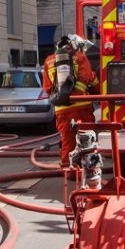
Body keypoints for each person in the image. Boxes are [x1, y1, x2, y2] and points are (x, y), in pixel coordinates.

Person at [42, 34, 99, 167]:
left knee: (67, 141)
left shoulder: (49, 61)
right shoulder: (80, 57)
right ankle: (89, 169)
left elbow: (48, 88)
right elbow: (86, 78)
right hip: (82, 107)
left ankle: (70, 170)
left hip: (62, 108)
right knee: (87, 139)